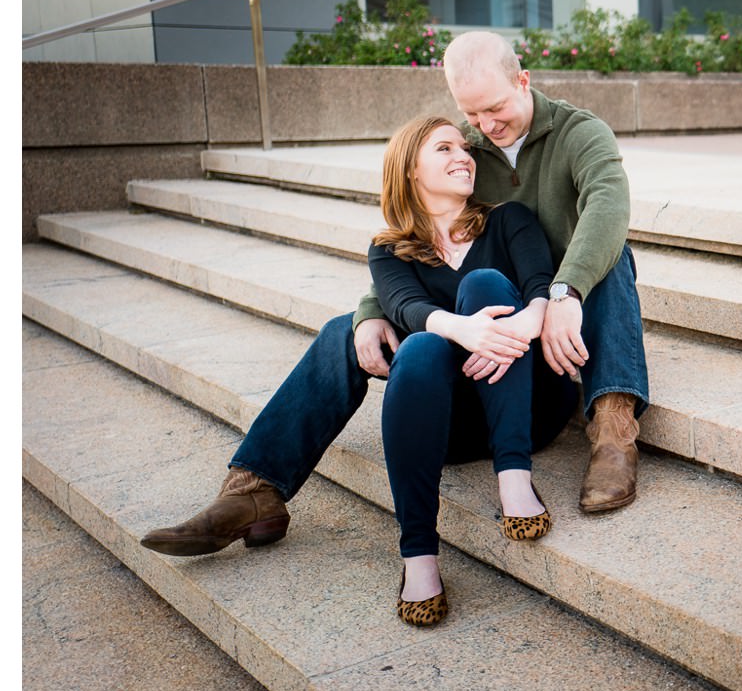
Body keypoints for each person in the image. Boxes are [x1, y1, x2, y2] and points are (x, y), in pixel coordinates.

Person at [140, 30, 650, 559]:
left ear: (523, 81)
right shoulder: (470, 151)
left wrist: (563, 293)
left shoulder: (579, 133)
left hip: (557, 310)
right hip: (482, 335)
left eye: (496, 109)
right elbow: (414, 246)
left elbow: (609, 207)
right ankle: (255, 490)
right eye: (471, 116)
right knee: (345, 331)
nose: (485, 128)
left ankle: (613, 429)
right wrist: (368, 313)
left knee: (613, 255)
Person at [370, 116, 568, 624]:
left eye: (465, 148)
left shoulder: (508, 219)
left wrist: (523, 323)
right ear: (410, 170)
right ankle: (418, 555)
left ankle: (514, 479)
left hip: (529, 405)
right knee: (418, 348)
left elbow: (541, 281)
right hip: (450, 428)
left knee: (483, 282)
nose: (464, 155)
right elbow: (405, 305)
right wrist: (464, 331)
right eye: (444, 148)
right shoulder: (389, 249)